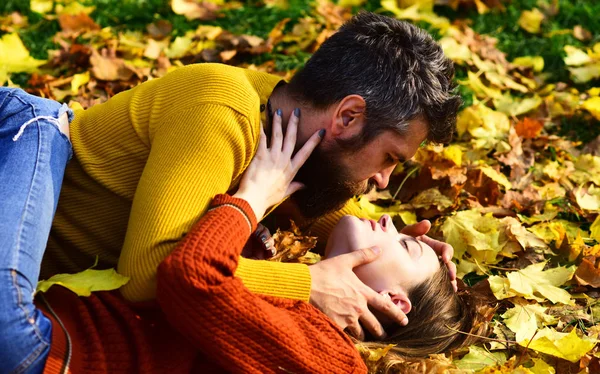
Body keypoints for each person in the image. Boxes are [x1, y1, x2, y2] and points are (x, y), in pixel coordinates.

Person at [39, 11, 460, 340]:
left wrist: (404, 258)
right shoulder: (222, 111)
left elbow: (304, 197)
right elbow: (148, 275)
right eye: (389, 157)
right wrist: (305, 283)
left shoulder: (287, 130)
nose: (384, 180)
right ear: (348, 117)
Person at [17, 96, 476, 373]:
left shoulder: (329, 358)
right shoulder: (316, 322)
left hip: (42, 350)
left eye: (406, 243)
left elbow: (191, 276)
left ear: (394, 302)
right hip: (40, 339)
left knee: (34, 118)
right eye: (388, 159)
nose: (391, 219)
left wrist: (253, 196)